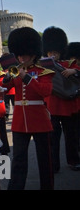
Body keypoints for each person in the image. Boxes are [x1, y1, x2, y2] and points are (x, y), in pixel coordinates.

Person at [2, 27, 55, 190]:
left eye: (24, 55)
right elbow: (5, 84)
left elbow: (45, 91)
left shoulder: (43, 72)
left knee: (45, 160)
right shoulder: (16, 71)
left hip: (39, 120)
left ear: (33, 54)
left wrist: (26, 78)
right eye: (18, 55)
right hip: (20, 121)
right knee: (18, 159)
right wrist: (10, 75)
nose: (21, 58)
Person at [42, 26, 80, 172]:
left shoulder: (69, 65)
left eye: (55, 52)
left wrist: (74, 71)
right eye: (50, 52)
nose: (53, 55)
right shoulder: (43, 66)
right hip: (52, 106)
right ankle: (54, 164)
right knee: (52, 138)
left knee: (71, 137)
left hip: (68, 106)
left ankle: (73, 160)